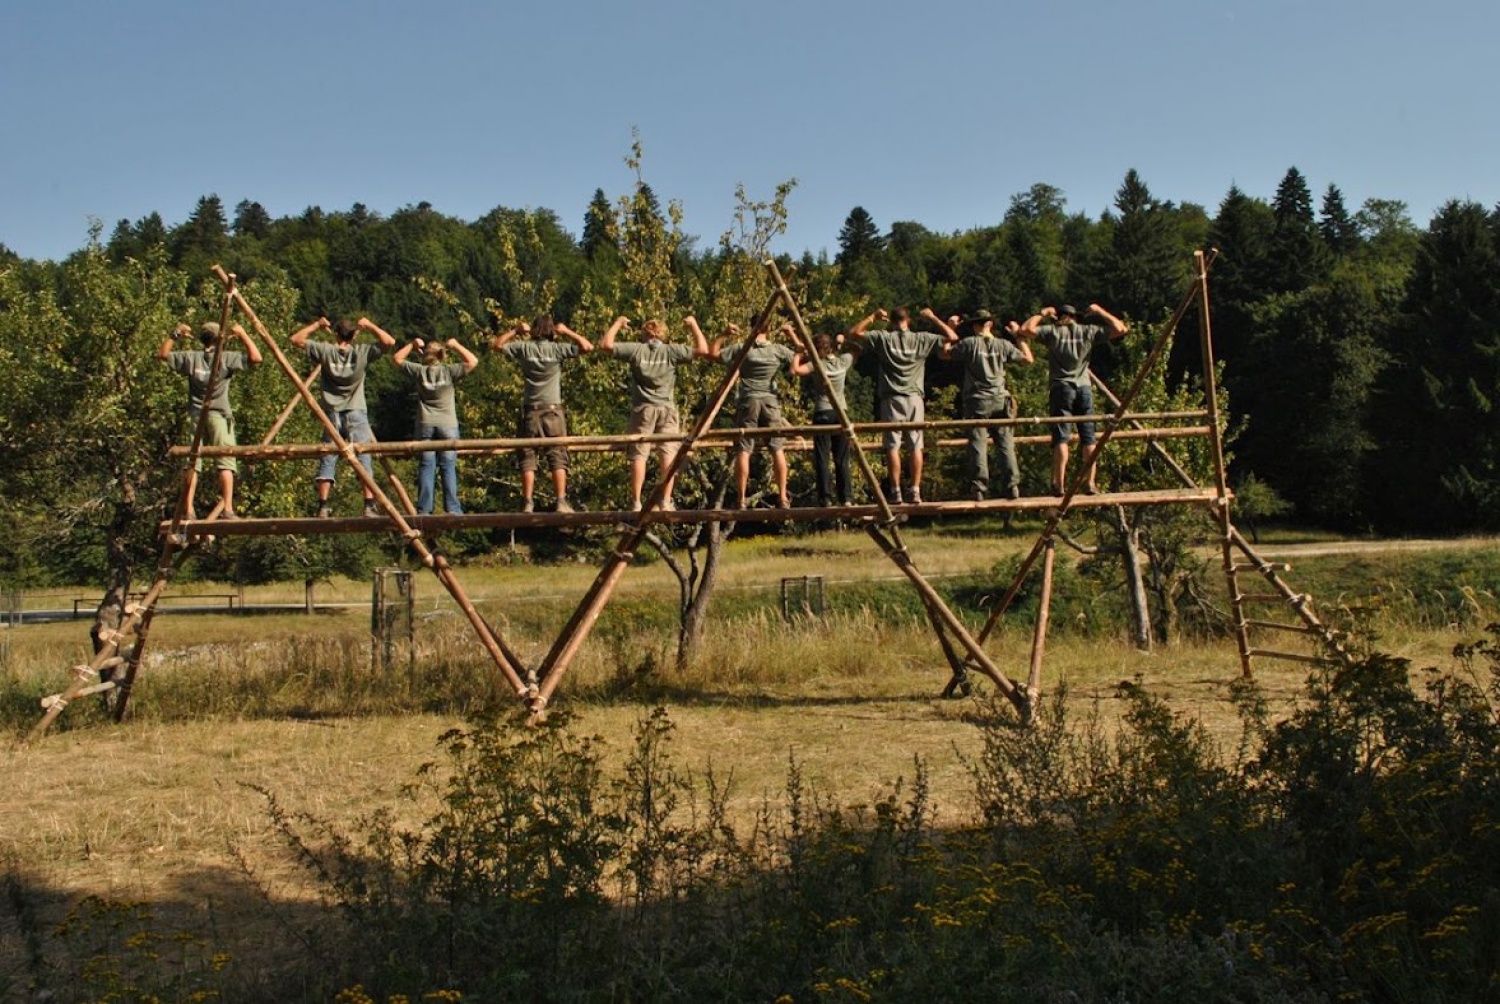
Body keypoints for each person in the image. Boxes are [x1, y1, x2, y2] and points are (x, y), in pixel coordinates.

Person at [596, 314, 711, 511]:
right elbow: (703, 350)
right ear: (663, 335)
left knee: (639, 454)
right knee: (668, 453)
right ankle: (665, 500)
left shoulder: (636, 350)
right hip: (666, 408)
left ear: (644, 334)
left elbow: (605, 345)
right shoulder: (671, 351)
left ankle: (636, 501)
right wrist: (693, 325)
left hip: (643, 409)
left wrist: (617, 323)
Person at [847, 306, 958, 503]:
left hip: (891, 398)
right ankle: (915, 490)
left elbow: (854, 333)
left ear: (891, 322)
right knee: (916, 445)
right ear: (909, 321)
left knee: (892, 446)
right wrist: (932, 317)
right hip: (915, 398)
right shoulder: (921, 338)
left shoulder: (884, 338)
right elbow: (952, 337)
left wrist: (873, 316)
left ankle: (895, 491)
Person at [290, 316, 398, 517]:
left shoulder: (326, 351)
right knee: (363, 456)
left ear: (335, 334)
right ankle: (368, 504)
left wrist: (317, 325)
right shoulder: (361, 352)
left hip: (331, 412)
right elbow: (389, 342)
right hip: (355, 410)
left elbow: (296, 339)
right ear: (355, 334)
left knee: (328, 456)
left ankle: (323, 506)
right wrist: (370, 325)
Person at [1020, 303, 1129, 494]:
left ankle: (1059, 484)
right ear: (1075, 317)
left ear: (1059, 317)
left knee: (1061, 437)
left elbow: (1025, 329)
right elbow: (1121, 329)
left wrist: (1042, 314)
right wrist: (1099, 311)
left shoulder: (1053, 332)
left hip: (1061, 387)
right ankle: (1090, 482)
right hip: (1084, 387)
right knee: (1089, 438)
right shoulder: (1088, 331)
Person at [157, 320, 262, 519]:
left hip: (196, 414)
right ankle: (228, 509)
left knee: (193, 462)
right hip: (219, 414)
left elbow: (162, 354)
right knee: (226, 459)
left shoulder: (191, 358)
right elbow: (256, 358)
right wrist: (242, 334)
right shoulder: (225, 358)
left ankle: (189, 510)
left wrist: (176, 333)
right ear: (219, 339)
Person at [491, 315, 593, 513]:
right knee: (557, 454)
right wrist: (567, 331)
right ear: (551, 331)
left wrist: (516, 331)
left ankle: (527, 502)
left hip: (531, 408)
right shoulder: (557, 349)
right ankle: (561, 501)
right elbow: (588, 347)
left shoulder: (524, 348)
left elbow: (497, 345)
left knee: (527, 456)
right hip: (552, 409)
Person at [944, 310, 1033, 501]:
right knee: (1005, 444)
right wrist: (1019, 337)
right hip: (1001, 399)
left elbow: (945, 353)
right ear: (990, 324)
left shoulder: (969, 343)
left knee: (978, 444)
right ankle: (1012, 486)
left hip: (977, 400)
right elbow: (1028, 359)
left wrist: (950, 328)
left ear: (974, 325)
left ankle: (979, 488)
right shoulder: (1003, 344)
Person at [710, 320, 797, 508]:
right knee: (777, 448)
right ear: (769, 327)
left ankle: (741, 499)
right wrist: (791, 334)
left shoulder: (743, 348)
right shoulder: (777, 350)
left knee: (744, 449)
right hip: (770, 401)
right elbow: (802, 355)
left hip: (748, 401)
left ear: (751, 326)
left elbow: (713, 354)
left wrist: (724, 334)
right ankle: (783, 496)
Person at [390, 335, 479, 514]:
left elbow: (397, 358)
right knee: (448, 466)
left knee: (426, 465)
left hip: (425, 423)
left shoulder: (420, 371)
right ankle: (453, 508)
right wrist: (456, 344)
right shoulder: (449, 371)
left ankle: (424, 509)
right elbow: (473, 361)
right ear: (442, 356)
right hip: (448, 424)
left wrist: (412, 344)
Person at [792, 331, 859, 507]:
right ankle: (846, 498)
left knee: (822, 457)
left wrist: (798, 354)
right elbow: (858, 349)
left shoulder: (817, 364)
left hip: (823, 411)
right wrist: (843, 342)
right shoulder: (843, 361)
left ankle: (825, 498)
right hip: (841, 412)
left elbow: (795, 370)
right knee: (842, 457)